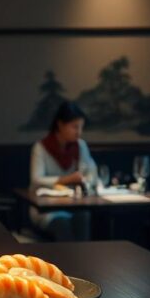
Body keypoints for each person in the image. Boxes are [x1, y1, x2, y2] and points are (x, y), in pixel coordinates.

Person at [28, 101, 96, 241]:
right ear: (60, 125)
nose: (79, 132)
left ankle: (83, 260)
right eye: (74, 127)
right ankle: (66, 262)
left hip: (73, 204)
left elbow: (92, 172)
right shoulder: (41, 147)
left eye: (81, 127)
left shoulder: (80, 146)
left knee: (84, 215)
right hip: (46, 207)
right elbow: (36, 179)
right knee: (61, 222)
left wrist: (86, 181)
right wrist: (66, 179)